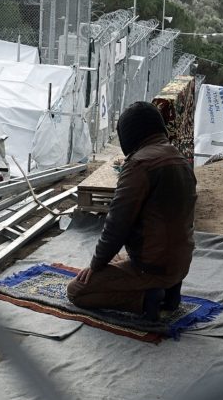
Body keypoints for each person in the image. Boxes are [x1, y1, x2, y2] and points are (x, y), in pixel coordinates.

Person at [66, 101, 197, 319]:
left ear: (130, 134)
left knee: (77, 291)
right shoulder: (179, 158)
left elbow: (117, 225)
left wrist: (95, 266)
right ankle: (170, 289)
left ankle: (148, 299)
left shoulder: (139, 165)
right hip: (181, 262)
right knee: (117, 256)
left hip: (152, 267)